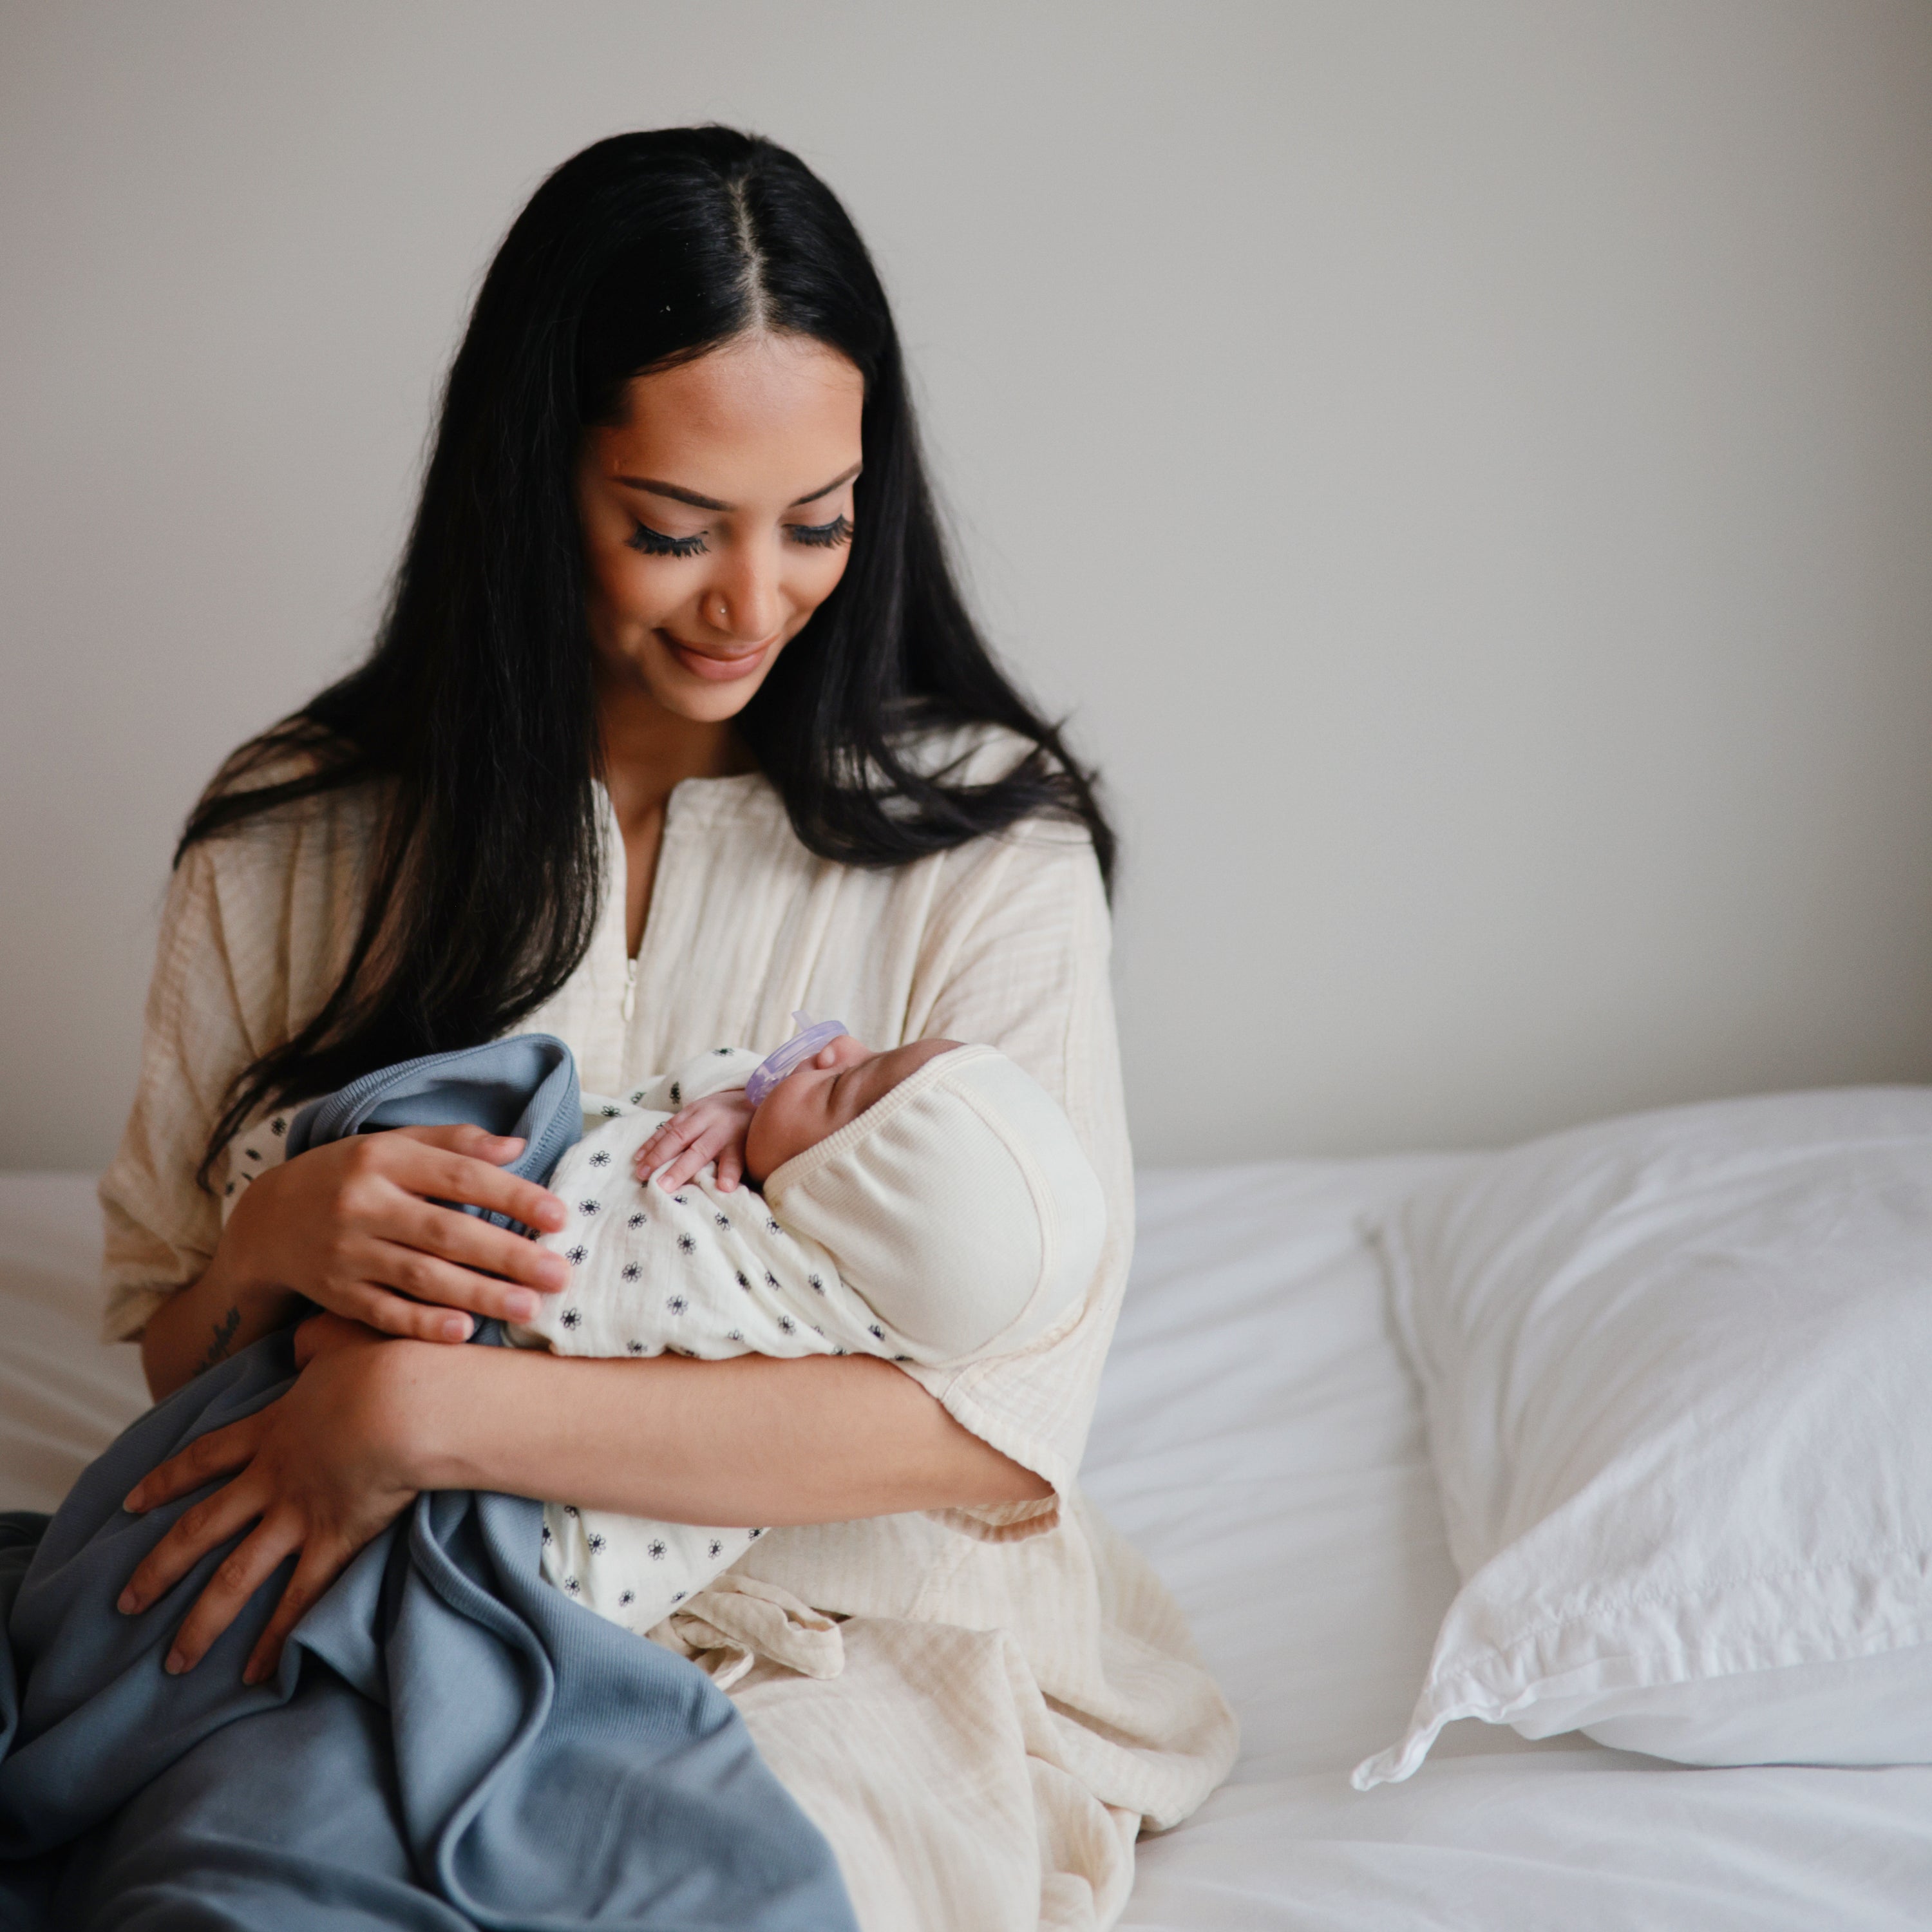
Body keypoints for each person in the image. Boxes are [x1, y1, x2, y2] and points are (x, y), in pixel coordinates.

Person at [99, 126, 1236, 1930]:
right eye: (674, 530)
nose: (754, 601)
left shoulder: (989, 849)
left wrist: (425, 1406)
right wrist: (270, 1243)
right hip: (379, 1592)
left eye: (821, 523)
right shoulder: (291, 840)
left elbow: (990, 1426)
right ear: (532, 480)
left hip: (843, 1637)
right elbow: (180, 1357)